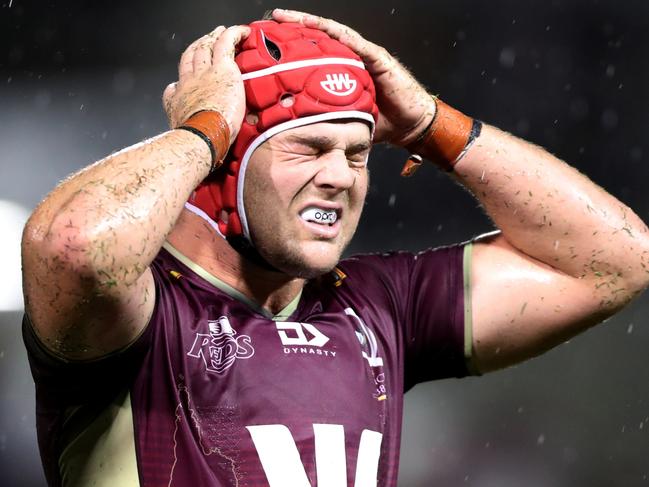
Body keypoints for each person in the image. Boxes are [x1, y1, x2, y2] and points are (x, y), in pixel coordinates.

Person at [20, 8, 649, 487]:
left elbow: (617, 260)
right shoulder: (139, 309)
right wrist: (205, 126)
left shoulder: (378, 306)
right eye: (309, 149)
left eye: (357, 153)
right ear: (226, 163)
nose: (343, 176)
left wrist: (433, 125)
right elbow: (75, 246)